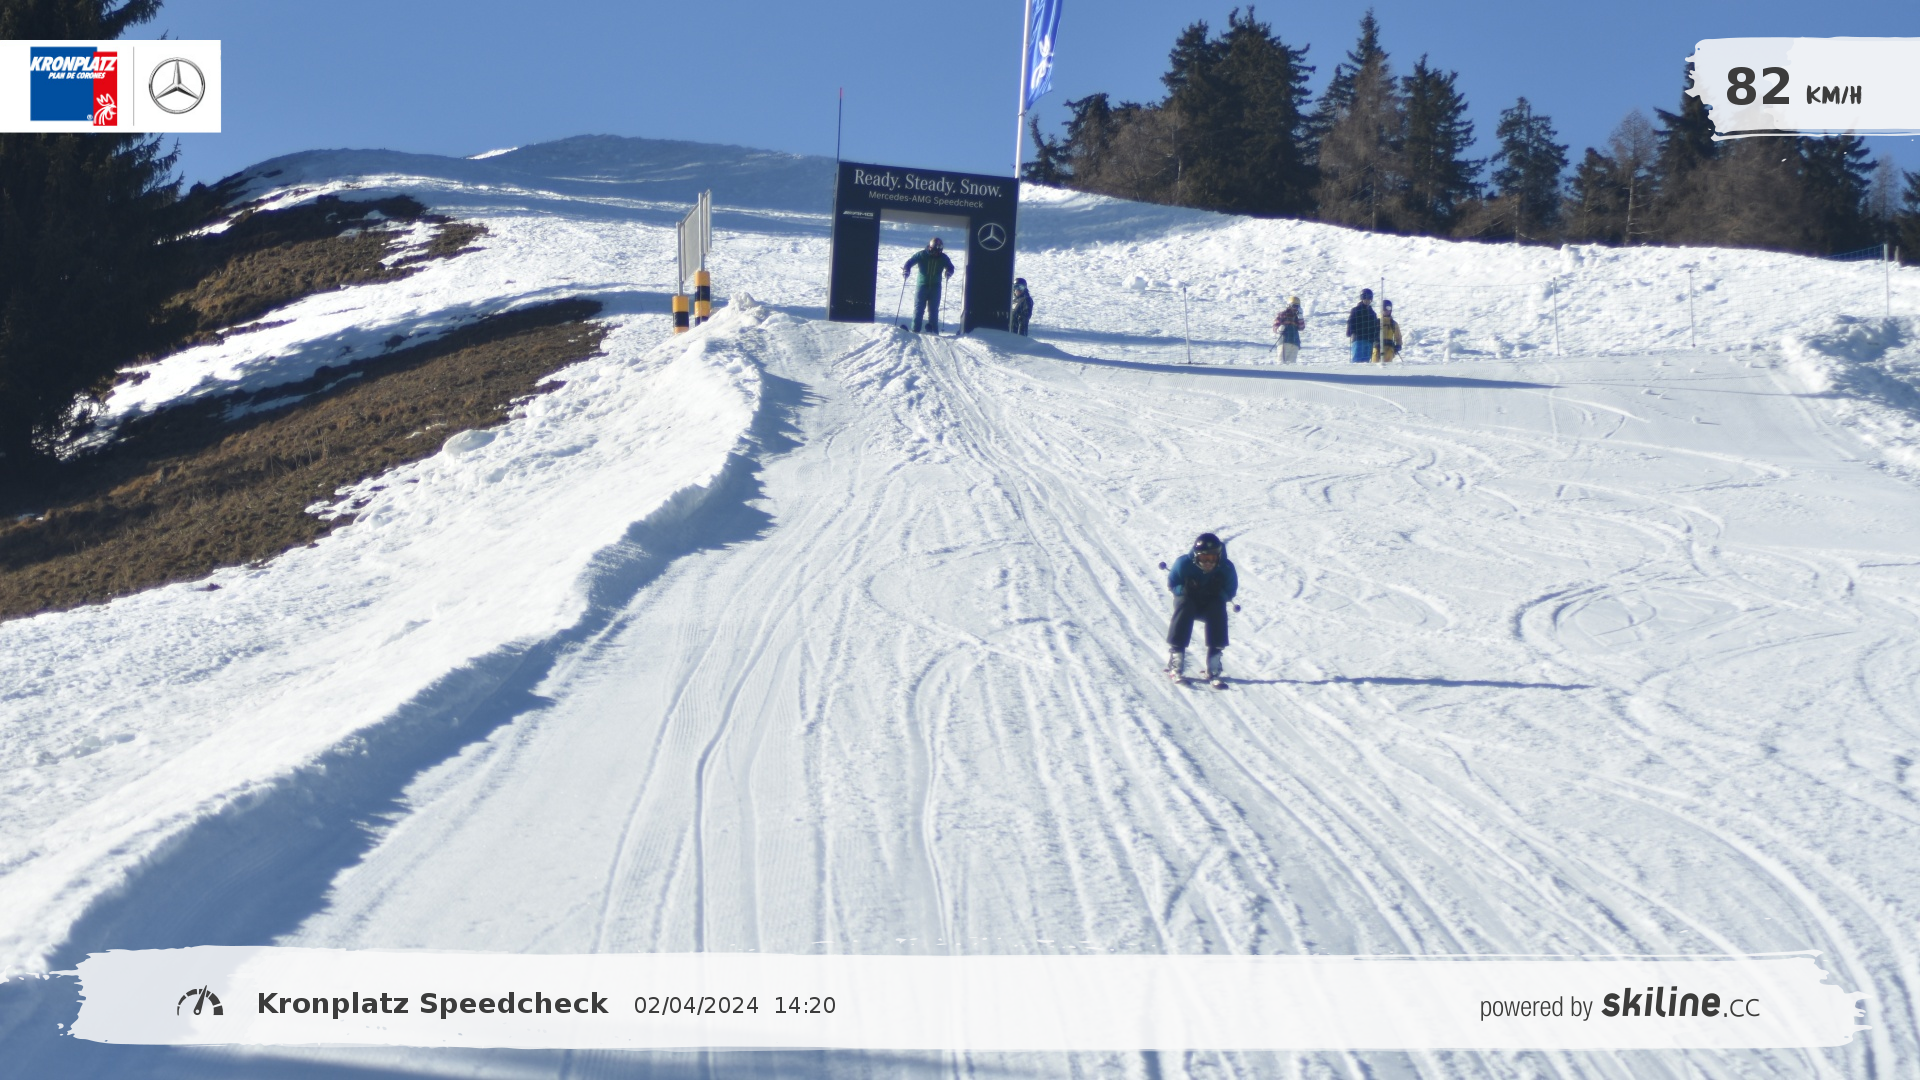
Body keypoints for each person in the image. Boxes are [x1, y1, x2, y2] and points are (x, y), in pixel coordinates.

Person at [1165, 532, 1239, 685]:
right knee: (1185, 604)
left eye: (1212, 558)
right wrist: (1184, 589)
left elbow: (1230, 592)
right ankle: (1176, 658)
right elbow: (1172, 584)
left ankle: (1214, 662)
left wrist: (1217, 591)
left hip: (1209, 604)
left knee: (1218, 608)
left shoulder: (1226, 568)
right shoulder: (1183, 564)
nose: (1208, 563)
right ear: (1196, 556)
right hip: (1189, 601)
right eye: (1204, 558)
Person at [903, 237, 956, 334]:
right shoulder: (922, 255)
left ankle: (934, 331)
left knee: (933, 310)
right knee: (919, 308)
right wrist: (906, 270)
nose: (937, 253)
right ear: (930, 248)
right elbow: (910, 262)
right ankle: (915, 330)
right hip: (922, 285)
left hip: (936, 286)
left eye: (939, 251)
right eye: (935, 251)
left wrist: (949, 272)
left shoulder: (943, 257)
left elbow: (950, 267)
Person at [1346, 288, 1379, 364]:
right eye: (1365, 298)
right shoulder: (1356, 310)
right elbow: (1351, 321)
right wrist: (1349, 331)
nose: (1367, 300)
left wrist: (1375, 337)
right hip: (1358, 339)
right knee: (1357, 360)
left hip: (1369, 340)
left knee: (1366, 361)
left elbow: (1375, 327)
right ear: (1362, 298)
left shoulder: (1372, 313)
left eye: (1369, 298)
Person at [1273, 296, 1304, 364]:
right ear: (1289, 305)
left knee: (1291, 363)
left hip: (1295, 342)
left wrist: (1300, 317)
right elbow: (1275, 326)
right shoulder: (1282, 314)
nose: (1295, 308)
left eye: (1297, 306)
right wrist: (1278, 329)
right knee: (1281, 362)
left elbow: (1301, 327)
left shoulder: (1297, 317)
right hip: (1284, 342)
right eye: (1293, 306)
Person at [1374, 298, 1402, 363]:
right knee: (1375, 363)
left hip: (1389, 348)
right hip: (1377, 347)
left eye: (1389, 308)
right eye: (1385, 309)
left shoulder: (1393, 323)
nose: (1387, 311)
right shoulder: (1377, 322)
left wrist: (1398, 345)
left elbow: (1398, 337)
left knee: (1387, 363)